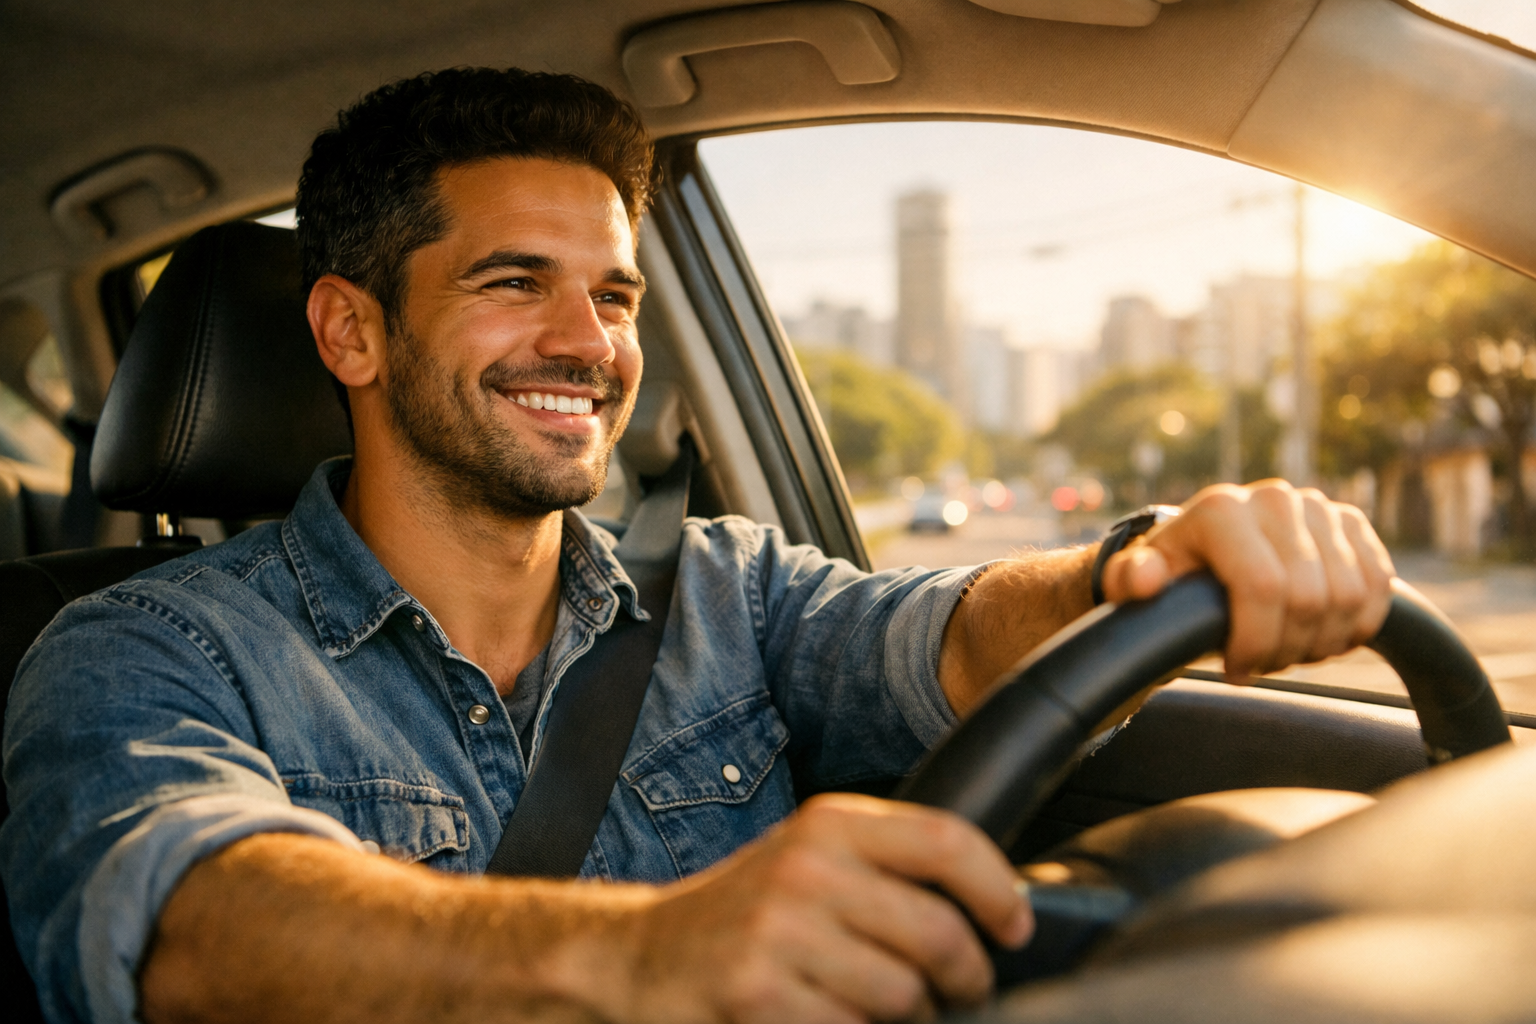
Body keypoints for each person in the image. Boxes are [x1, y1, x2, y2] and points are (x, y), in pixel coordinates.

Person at [0, 68, 1395, 1024]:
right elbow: (179, 920)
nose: (589, 342)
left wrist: (1130, 572)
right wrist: (647, 954)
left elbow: (945, 641)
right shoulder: (146, 648)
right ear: (351, 330)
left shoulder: (722, 586)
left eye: (612, 293)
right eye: (512, 283)